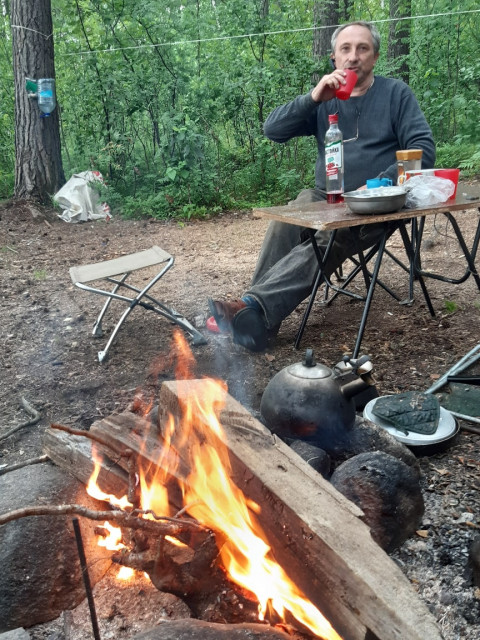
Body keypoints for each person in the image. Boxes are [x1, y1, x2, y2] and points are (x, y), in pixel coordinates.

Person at [208, 20, 436, 351]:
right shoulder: (324, 99)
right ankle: (253, 317)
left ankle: (252, 310)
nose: (353, 56)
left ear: (375, 57)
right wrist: (313, 98)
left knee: (333, 235)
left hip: (375, 203)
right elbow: (273, 130)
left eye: (362, 48)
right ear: (334, 58)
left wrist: (381, 185)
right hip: (324, 194)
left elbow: (422, 150)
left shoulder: (396, 94)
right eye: (345, 49)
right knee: (286, 221)